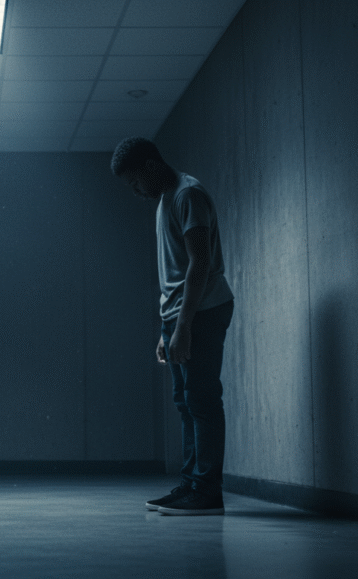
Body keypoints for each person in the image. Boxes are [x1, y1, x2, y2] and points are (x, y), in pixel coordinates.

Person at [111, 137, 235, 516]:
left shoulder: (187, 195)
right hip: (180, 315)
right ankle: (191, 485)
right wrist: (168, 329)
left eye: (134, 182)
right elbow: (177, 272)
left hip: (202, 311)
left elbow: (199, 264)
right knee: (186, 403)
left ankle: (206, 491)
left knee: (201, 401)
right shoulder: (166, 199)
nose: (135, 192)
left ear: (150, 167)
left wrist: (182, 327)